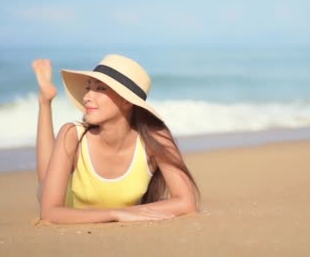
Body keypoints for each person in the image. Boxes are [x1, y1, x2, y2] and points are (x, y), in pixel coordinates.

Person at [32, 54, 199, 224]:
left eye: (100, 89)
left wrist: (124, 213)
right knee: (45, 186)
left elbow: (187, 203)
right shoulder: (72, 134)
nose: (87, 97)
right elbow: (49, 212)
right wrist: (116, 214)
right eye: (88, 88)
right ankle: (45, 101)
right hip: (68, 202)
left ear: (127, 101)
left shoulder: (156, 137)